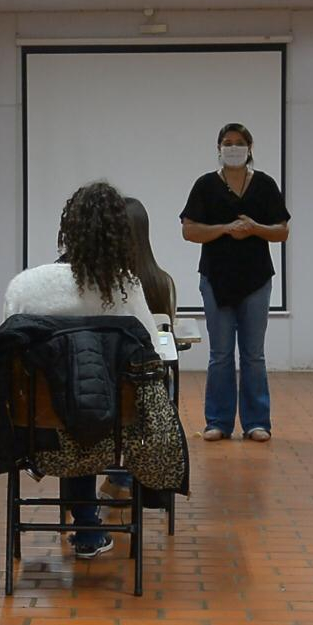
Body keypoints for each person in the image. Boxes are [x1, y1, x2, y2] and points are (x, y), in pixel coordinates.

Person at [3, 181, 157, 558]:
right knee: (97, 403)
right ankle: (114, 492)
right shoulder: (125, 288)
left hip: (36, 434)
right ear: (122, 235)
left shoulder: (26, 287)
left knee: (69, 402)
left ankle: (86, 523)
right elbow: (152, 355)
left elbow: (8, 356)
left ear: (66, 229)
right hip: (110, 433)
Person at [180, 123, 289, 442]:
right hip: (216, 279)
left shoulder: (265, 185)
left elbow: (281, 231)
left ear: (250, 147)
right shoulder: (205, 185)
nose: (233, 148)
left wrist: (255, 227)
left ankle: (257, 422)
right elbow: (189, 230)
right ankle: (218, 421)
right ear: (218, 148)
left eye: (239, 143)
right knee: (221, 354)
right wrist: (225, 228)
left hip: (256, 280)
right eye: (227, 143)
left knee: (253, 354)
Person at [102, 196, 178, 505]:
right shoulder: (162, 282)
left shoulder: (97, 284)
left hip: (96, 392)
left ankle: (114, 480)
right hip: (143, 393)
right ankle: (127, 477)